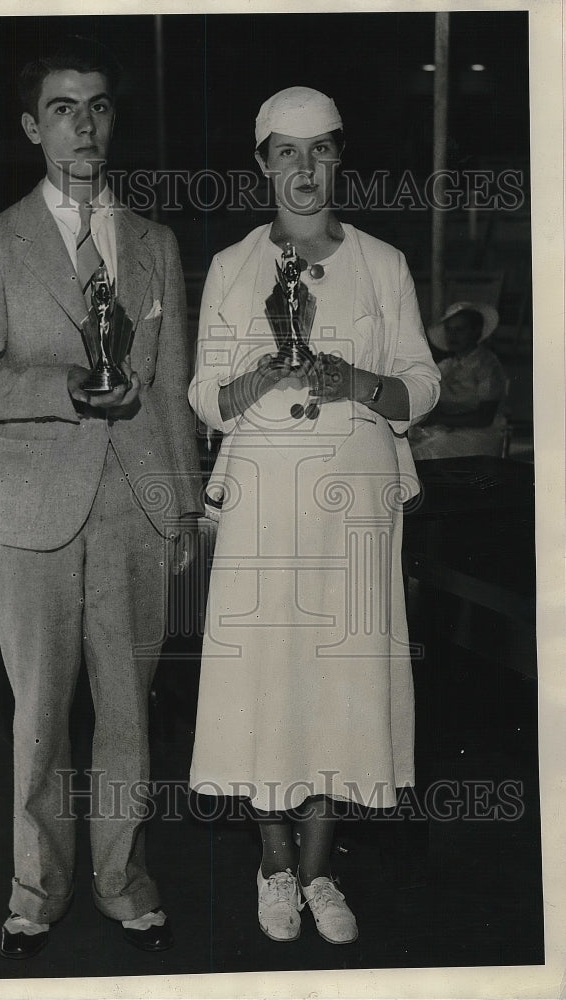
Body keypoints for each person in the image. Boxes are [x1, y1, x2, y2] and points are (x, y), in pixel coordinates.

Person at [0, 36, 201, 958]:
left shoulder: (158, 244)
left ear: (110, 120)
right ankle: (35, 889)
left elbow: (169, 388)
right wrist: (60, 390)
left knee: (129, 713)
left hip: (136, 506)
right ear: (31, 127)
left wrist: (184, 509)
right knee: (41, 718)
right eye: (61, 107)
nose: (82, 122)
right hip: (33, 518)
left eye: (96, 105)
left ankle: (123, 880)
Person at [188, 87, 440, 946]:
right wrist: (261, 375)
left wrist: (359, 383)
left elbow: (422, 384)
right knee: (266, 676)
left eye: (320, 151)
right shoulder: (230, 266)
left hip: (356, 510)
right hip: (263, 500)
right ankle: (273, 864)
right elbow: (203, 397)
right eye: (285, 152)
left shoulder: (383, 263)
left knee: (340, 681)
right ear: (260, 163)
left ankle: (321, 865)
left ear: (339, 159)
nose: (303, 169)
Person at [409, 301, 507, 460]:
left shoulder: (487, 365)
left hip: (480, 435)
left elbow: (484, 417)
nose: (452, 335)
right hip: (447, 430)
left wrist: (437, 419)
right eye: (449, 330)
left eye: (460, 329)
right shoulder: (444, 366)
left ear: (476, 331)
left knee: (424, 453)